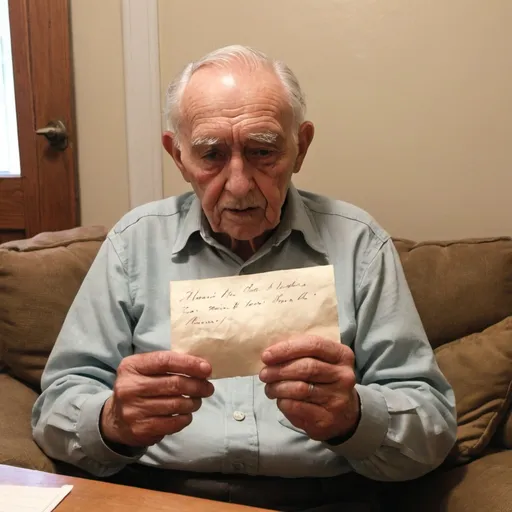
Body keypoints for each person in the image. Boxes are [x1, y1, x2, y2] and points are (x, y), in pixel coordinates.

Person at [32, 45, 457, 511]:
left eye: (262, 151)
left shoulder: (358, 244)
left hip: (321, 498)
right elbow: (55, 404)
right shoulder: (133, 244)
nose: (238, 184)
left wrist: (354, 417)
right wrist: (113, 420)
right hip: (157, 494)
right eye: (211, 154)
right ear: (177, 155)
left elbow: (433, 425)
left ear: (301, 147)